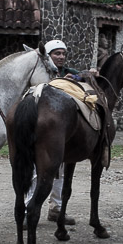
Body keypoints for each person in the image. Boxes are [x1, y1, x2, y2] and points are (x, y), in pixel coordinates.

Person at [25, 39, 82, 225]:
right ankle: (28, 209)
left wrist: (82, 76)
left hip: (63, 129)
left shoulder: (68, 74)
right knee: (35, 170)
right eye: (57, 53)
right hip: (40, 128)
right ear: (48, 55)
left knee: (61, 171)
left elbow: (81, 76)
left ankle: (56, 209)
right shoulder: (40, 73)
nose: (61, 57)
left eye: (63, 53)